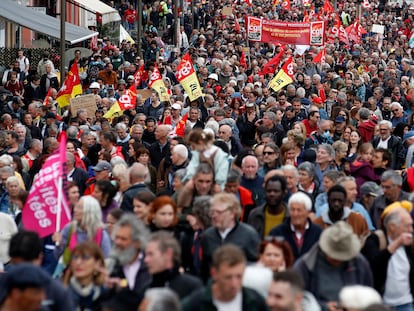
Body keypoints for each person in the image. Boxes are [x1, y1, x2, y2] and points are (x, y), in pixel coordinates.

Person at [293, 221, 373, 310]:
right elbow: (298, 298)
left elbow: (368, 295)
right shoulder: (305, 265)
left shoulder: (359, 263)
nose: (338, 259)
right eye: (334, 256)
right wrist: (324, 306)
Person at [182, 244, 269, 311]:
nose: (234, 284)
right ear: (214, 273)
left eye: (239, 276)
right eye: (228, 277)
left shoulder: (255, 302)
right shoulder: (195, 304)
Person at [6, 230, 74, 311]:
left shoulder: (56, 292)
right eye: (19, 265)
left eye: (28, 266)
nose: (23, 272)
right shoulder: (57, 290)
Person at [200, 192, 261, 282]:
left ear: (232, 213)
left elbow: (256, 265)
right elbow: (204, 268)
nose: (214, 216)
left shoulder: (249, 235)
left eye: (219, 212)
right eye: (212, 212)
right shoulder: (207, 236)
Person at [362, 207, 414, 310]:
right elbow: (373, 266)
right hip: (382, 303)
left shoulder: (410, 243)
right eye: (407, 226)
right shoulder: (376, 240)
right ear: (392, 227)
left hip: (406, 302)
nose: (411, 230)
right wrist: (396, 243)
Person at [105, 214, 151, 310]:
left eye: (123, 239)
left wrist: (121, 287)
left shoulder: (149, 266)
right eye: (116, 238)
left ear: (137, 243)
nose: (118, 242)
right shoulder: (111, 265)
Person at [144, 231, 203, 299]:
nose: (146, 260)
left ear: (168, 254)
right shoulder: (145, 290)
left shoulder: (191, 287)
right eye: (146, 255)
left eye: (151, 254)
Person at [53, 195, 111, 262]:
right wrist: (59, 245)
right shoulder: (69, 228)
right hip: (71, 271)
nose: (75, 210)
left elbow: (106, 261)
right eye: (76, 206)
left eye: (79, 207)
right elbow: (57, 256)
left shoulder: (102, 234)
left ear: (90, 211)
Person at [269, 191, 322, 260]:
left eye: (299, 210)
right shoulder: (277, 233)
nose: (295, 214)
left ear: (308, 212)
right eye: (292, 210)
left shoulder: (318, 233)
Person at [63, 242, 107, 311]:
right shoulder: (60, 292)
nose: (78, 262)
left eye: (85, 257)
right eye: (75, 257)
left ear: (98, 263)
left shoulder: (104, 296)